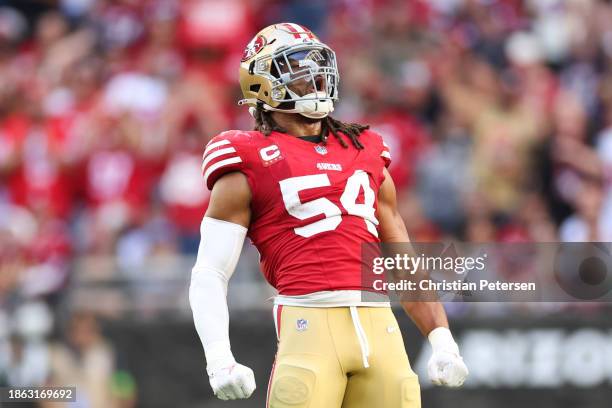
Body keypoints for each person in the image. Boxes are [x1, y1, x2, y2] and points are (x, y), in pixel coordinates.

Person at [189, 23, 468, 407]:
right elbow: (210, 271)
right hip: (309, 328)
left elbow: (402, 259)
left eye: (317, 65)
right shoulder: (247, 156)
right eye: (296, 66)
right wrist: (218, 359)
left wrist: (442, 340)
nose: (314, 76)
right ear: (262, 83)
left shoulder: (365, 147)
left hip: (382, 330)